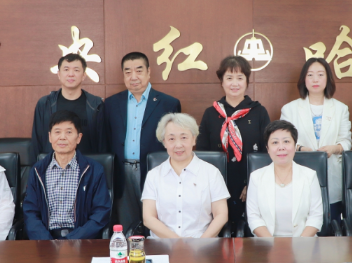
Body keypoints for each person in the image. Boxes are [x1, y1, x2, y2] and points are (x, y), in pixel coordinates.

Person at [98, 52, 181, 231]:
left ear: (148, 72)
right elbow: (105, 140)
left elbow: (175, 143)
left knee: (156, 223)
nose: (133, 76)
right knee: (126, 224)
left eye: (139, 70)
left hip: (155, 171)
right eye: (128, 72)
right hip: (121, 172)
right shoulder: (111, 104)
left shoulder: (168, 103)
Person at [196, 55, 270, 225]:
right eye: (229, 78)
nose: (234, 83)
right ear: (221, 82)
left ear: (247, 81)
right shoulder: (211, 113)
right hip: (216, 186)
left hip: (250, 185)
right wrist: (211, 187)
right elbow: (202, 153)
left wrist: (253, 184)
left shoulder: (259, 112)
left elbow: (266, 152)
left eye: (240, 78)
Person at [281, 58, 351, 223]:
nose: (315, 79)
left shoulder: (340, 108)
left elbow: (346, 141)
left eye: (320, 75)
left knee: (331, 223)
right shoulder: (289, 109)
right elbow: (284, 142)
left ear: (328, 79)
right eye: (310, 75)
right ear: (304, 79)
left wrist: (334, 148)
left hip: (331, 175)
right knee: (302, 225)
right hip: (299, 173)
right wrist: (302, 150)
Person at [24, 110, 111, 240]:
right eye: (57, 132)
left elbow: (101, 212)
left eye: (69, 132)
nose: (62, 137)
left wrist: (72, 240)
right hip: (45, 241)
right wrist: (46, 242)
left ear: (79, 137)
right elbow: (30, 212)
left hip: (81, 240)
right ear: (50, 137)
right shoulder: (38, 171)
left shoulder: (94, 170)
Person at [141, 113, 229, 238]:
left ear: (194, 139)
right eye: (171, 139)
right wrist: (177, 242)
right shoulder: (153, 175)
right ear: (164, 142)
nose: (178, 145)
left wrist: (201, 243)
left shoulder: (211, 173)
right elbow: (148, 218)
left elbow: (221, 215)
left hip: (201, 244)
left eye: (184, 138)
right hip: (162, 244)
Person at [246, 120, 323, 237]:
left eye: (286, 141)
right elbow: (254, 218)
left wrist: (300, 244)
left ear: (294, 146)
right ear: (267, 148)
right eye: (275, 142)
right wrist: (272, 244)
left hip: (303, 243)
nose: (281, 147)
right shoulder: (256, 177)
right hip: (266, 244)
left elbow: (316, 217)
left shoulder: (309, 175)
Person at [30, 53, 103, 160]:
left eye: (76, 70)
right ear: (59, 74)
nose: (71, 74)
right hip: (52, 166)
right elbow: (37, 141)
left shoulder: (96, 104)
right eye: (66, 69)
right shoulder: (45, 104)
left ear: (84, 75)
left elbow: (102, 143)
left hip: (88, 166)